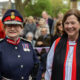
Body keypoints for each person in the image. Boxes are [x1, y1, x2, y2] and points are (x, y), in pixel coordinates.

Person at [0, 9, 39, 80]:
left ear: (21, 28)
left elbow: (37, 65)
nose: (12, 28)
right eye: (9, 26)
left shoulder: (28, 44)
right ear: (4, 28)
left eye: (16, 25)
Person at [45, 9, 80, 80]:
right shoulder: (57, 43)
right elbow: (49, 68)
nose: (69, 26)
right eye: (67, 23)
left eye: (73, 23)